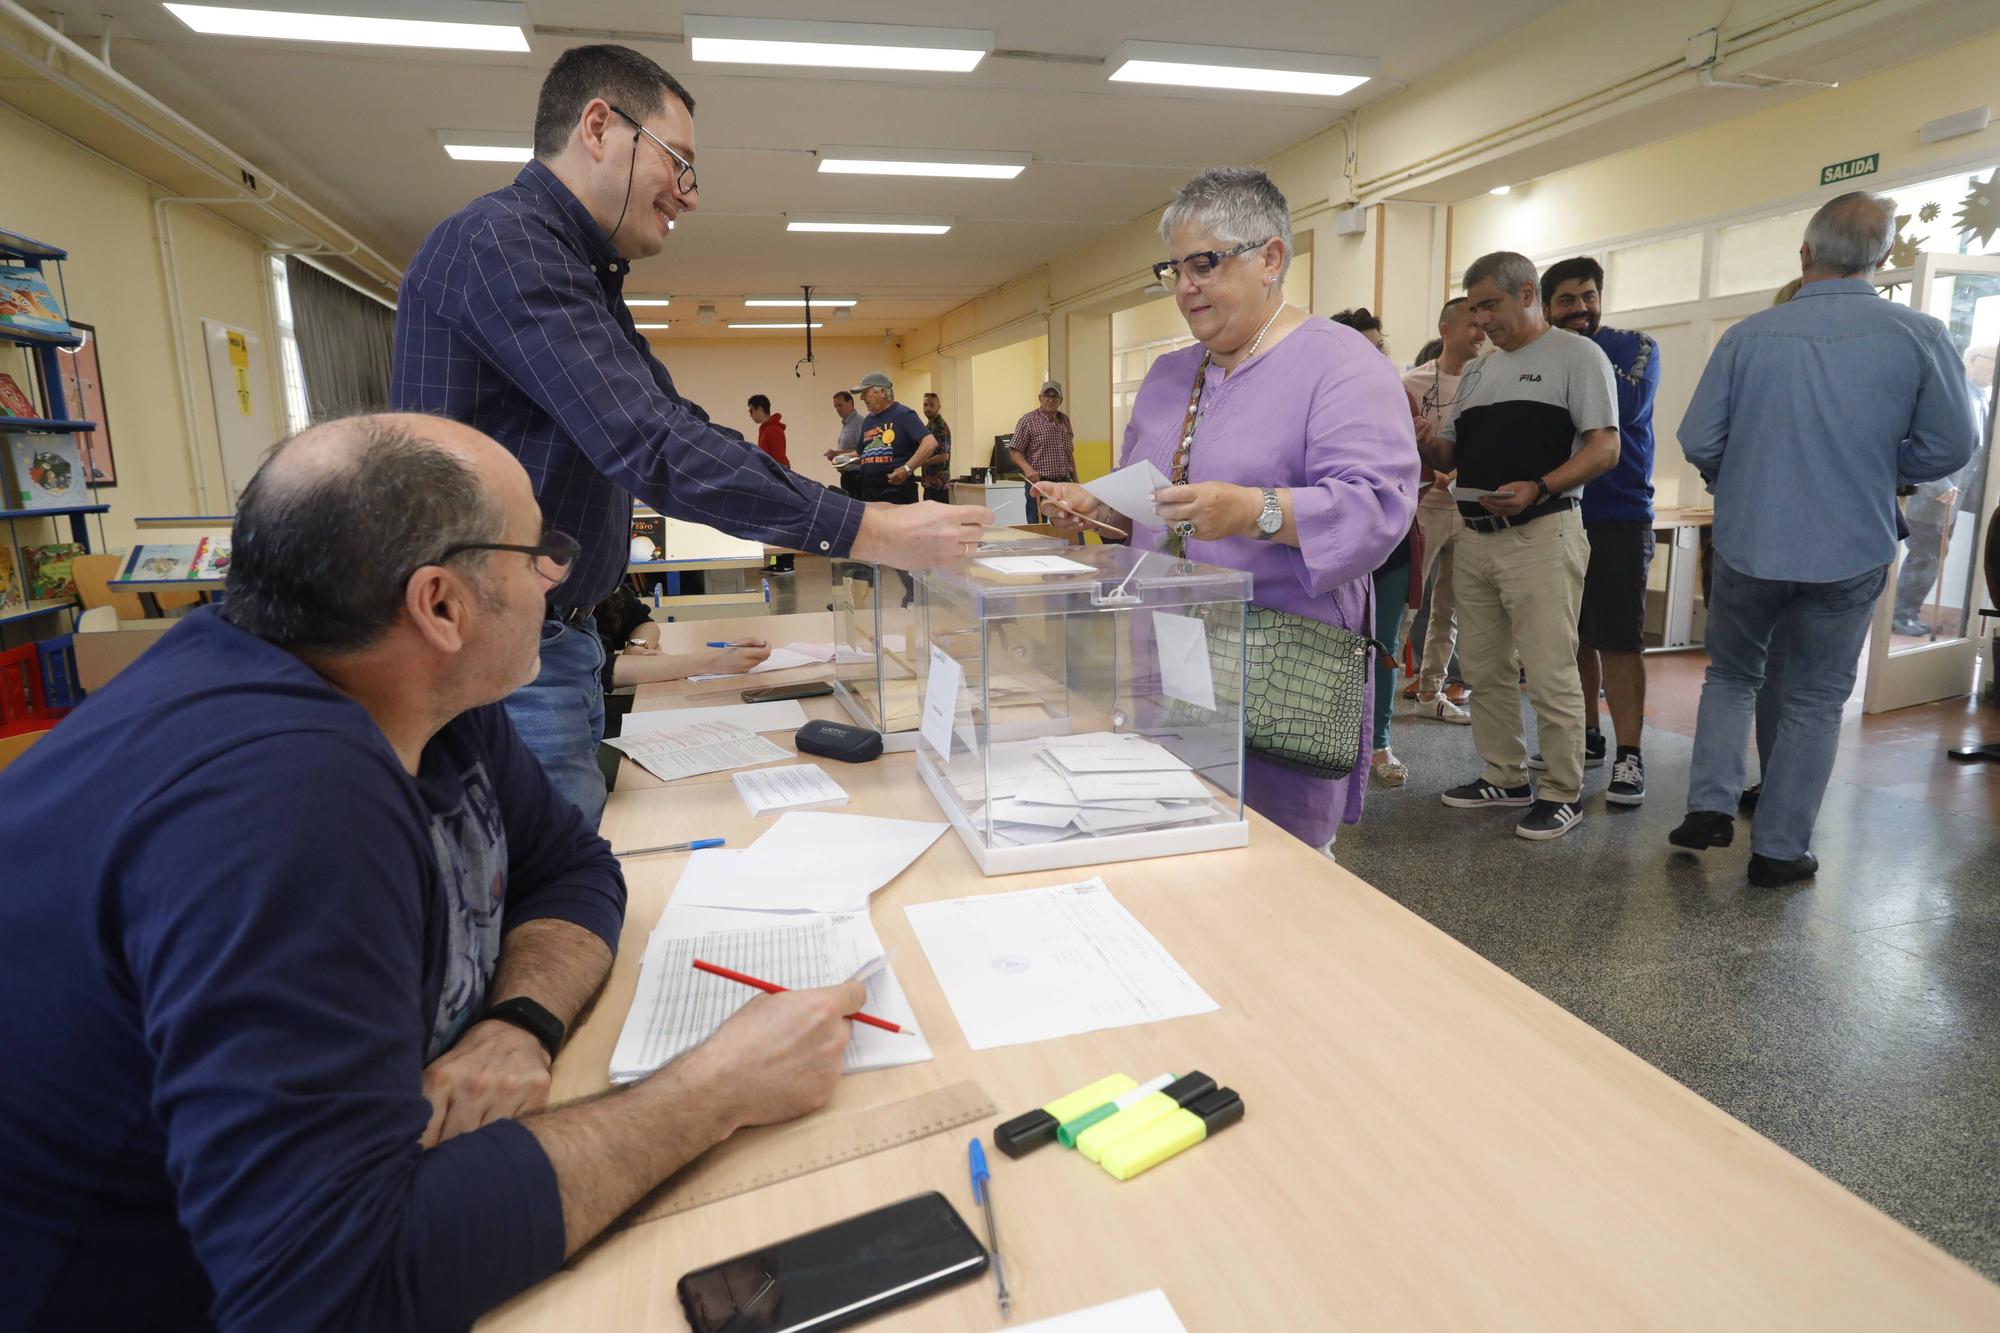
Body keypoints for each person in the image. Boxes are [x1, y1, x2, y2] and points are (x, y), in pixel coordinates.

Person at [0, 414, 863, 1331]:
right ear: (441, 605)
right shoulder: (282, 799)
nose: (554, 576)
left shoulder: (412, 691)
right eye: (539, 553)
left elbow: (570, 868)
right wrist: (713, 1089)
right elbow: (334, 1288)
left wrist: (519, 1019)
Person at [390, 44, 987, 825]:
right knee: (536, 904)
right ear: (599, 126)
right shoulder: (505, 246)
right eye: (680, 162)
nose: (690, 195)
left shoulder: (575, 269)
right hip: (499, 661)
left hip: (547, 648)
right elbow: (653, 445)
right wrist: (870, 528)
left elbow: (673, 424)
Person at [1033, 167, 1418, 854]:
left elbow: (1376, 510)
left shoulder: (1342, 366)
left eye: (1205, 264)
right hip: (1164, 666)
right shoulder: (1167, 377)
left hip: (1277, 674)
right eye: (1174, 268)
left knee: (1275, 875)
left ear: (1270, 258)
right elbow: (1155, 502)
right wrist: (1098, 505)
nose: (1185, 287)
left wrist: (1252, 511)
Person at [1670, 191, 1977, 886]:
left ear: (1805, 254)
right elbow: (1953, 444)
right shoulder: (1921, 336)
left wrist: (1738, 477)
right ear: (1885, 257)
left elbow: (1698, 438)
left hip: (1751, 540)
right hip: (1851, 545)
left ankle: (1711, 804)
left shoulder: (1749, 336)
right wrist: (1883, 466)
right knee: (1812, 696)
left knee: (1732, 673)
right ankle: (1778, 850)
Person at [1420, 250, 1620, 841]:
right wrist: (1424, 439)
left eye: (1490, 306)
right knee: (1484, 668)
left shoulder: (1577, 356)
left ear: (1527, 293)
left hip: (1541, 532)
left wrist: (1540, 486)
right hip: (1475, 534)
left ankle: (1562, 791)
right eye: (1474, 309)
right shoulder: (1481, 371)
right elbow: (1452, 456)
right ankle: (1505, 777)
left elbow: (1604, 449)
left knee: (1551, 668)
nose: (1480, 322)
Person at [1539, 256, 1662, 805]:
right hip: (1556, 517)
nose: (1581, 308)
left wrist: (1579, 353)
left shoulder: (1635, 347)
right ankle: (1587, 736)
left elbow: (1628, 407)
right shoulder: (1536, 357)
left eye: (1588, 296)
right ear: (1546, 307)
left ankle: (1629, 754)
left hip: (1619, 516)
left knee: (1618, 640)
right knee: (1572, 639)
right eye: (1567, 300)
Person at [1332, 307, 1421, 786]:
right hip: (1337, 545)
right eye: (1361, 346)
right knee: (1337, 645)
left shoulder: (1398, 396)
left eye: (1378, 347)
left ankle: (1380, 743)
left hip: (1391, 547)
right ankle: (1334, 742)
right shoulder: (1319, 397)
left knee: (1383, 648)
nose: (1373, 357)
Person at [1401, 297, 1485, 724]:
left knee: (1449, 606)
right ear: (1446, 328)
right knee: (1408, 603)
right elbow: (1395, 446)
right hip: (1424, 506)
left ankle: (1432, 691)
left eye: (1483, 323)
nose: (1480, 331)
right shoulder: (1412, 383)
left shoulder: (1487, 379)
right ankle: (1378, 696)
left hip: (1468, 506)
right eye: (1471, 323)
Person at [593, 580, 770, 688]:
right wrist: (716, 661)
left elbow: (643, 622)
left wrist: (637, 647)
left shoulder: (603, 584)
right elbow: (600, 671)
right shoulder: (568, 603)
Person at [1010, 380, 1077, 520]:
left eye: (1055, 397)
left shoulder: (1065, 420)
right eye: (1047, 396)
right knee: (1038, 528)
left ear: (1061, 400)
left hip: (1063, 483)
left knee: (1069, 526)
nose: (1050, 400)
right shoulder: (1028, 420)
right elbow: (1015, 451)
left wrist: (1076, 481)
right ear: (1040, 398)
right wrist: (1028, 469)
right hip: (1038, 484)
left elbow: (1069, 454)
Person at [827, 388, 866, 498]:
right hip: (848, 475)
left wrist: (837, 454)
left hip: (856, 477)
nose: (838, 409)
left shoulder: (858, 422)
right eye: (835, 406)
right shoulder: (847, 424)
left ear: (850, 403)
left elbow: (863, 451)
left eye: (840, 405)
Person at [921, 390, 954, 498]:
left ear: (938, 406)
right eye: (925, 405)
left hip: (939, 485)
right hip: (929, 483)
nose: (928, 408)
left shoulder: (940, 426)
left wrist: (923, 462)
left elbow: (944, 456)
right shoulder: (928, 427)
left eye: (931, 405)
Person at [747, 393, 788, 467]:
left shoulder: (773, 430)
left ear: (759, 409)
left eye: (751, 411)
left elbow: (780, 463)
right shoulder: (765, 429)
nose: (750, 415)